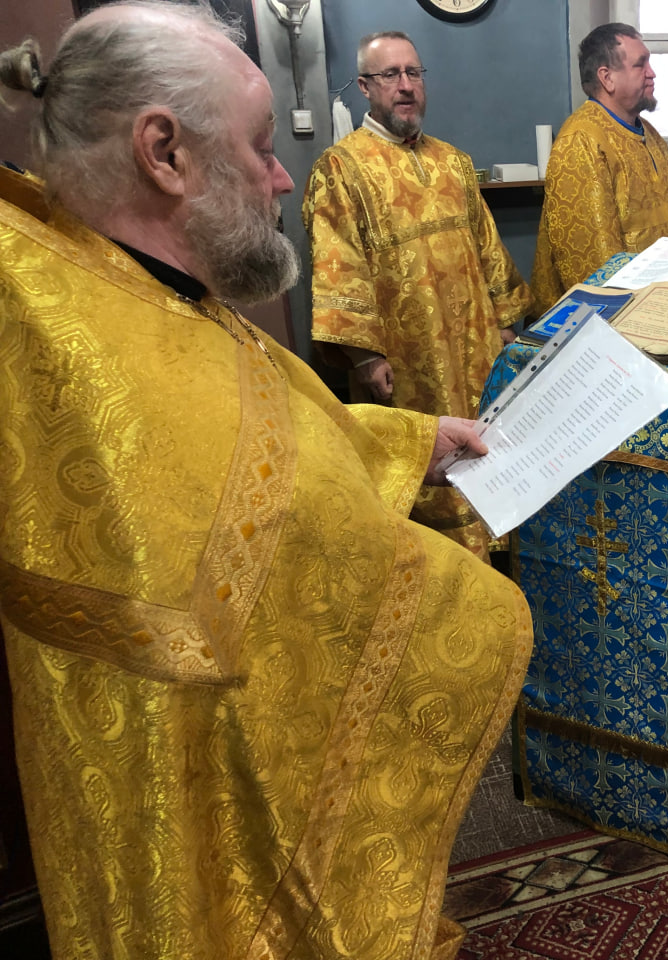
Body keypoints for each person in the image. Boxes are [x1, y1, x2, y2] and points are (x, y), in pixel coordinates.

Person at [0, 4, 531, 959]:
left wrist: (416, 441)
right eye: (258, 145)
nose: (281, 174)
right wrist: (457, 592)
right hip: (181, 791)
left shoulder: (150, 286)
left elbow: (286, 431)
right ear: (164, 153)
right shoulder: (51, 321)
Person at [304, 30, 531, 559]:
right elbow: (338, 263)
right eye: (390, 74)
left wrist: (504, 319)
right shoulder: (340, 168)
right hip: (406, 360)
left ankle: (498, 556)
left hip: (476, 346)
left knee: (487, 447)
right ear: (365, 86)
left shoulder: (454, 162)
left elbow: (487, 246)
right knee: (425, 475)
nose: (405, 85)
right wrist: (363, 355)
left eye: (413, 73)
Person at [529, 22, 668, 314]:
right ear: (607, 78)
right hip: (610, 319)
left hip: (661, 304)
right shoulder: (582, 141)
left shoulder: (652, 136)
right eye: (640, 64)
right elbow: (593, 263)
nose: (652, 73)